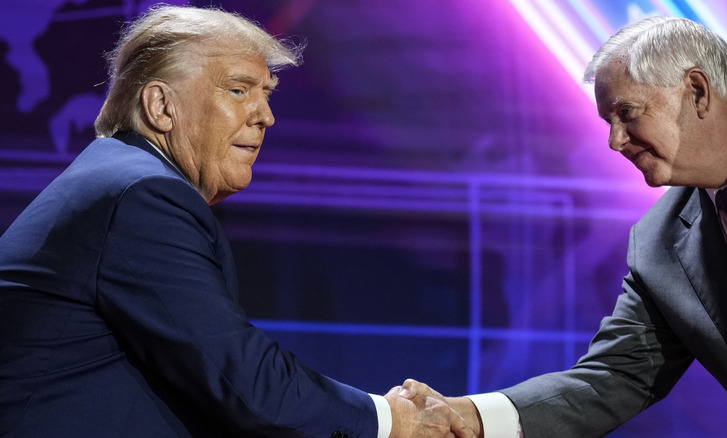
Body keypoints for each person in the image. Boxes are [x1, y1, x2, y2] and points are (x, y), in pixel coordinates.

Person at [0, 5, 475, 438]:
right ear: (161, 107)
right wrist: (391, 421)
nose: (265, 115)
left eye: (266, 93)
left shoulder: (118, 179)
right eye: (238, 89)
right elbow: (241, 380)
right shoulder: (142, 196)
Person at [400, 15, 727, 437]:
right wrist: (470, 415)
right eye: (607, 122)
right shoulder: (659, 243)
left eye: (628, 113)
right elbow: (614, 377)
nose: (615, 141)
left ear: (697, 91)